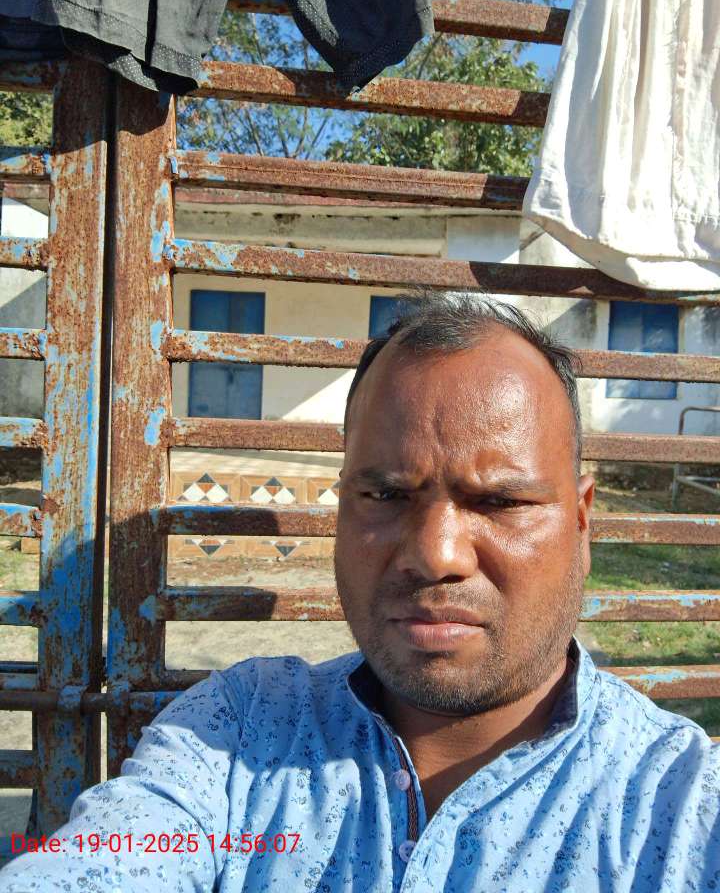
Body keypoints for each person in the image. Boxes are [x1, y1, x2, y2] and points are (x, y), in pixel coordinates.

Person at [1, 292, 718, 892]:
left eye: (500, 502)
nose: (435, 555)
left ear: (583, 522)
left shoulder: (680, 805)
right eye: (385, 494)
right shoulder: (236, 734)